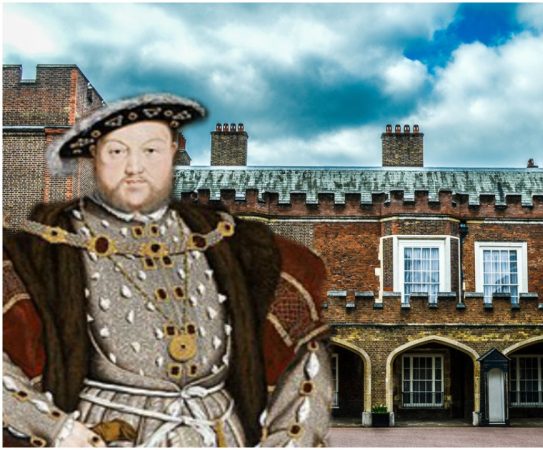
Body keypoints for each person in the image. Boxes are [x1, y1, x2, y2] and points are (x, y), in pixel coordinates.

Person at [3, 94, 333, 447]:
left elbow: (305, 358)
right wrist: (58, 430)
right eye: (117, 151)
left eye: (151, 150)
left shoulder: (233, 244)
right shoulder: (41, 250)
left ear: (173, 153)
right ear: (93, 157)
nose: (134, 167)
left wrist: (287, 443)